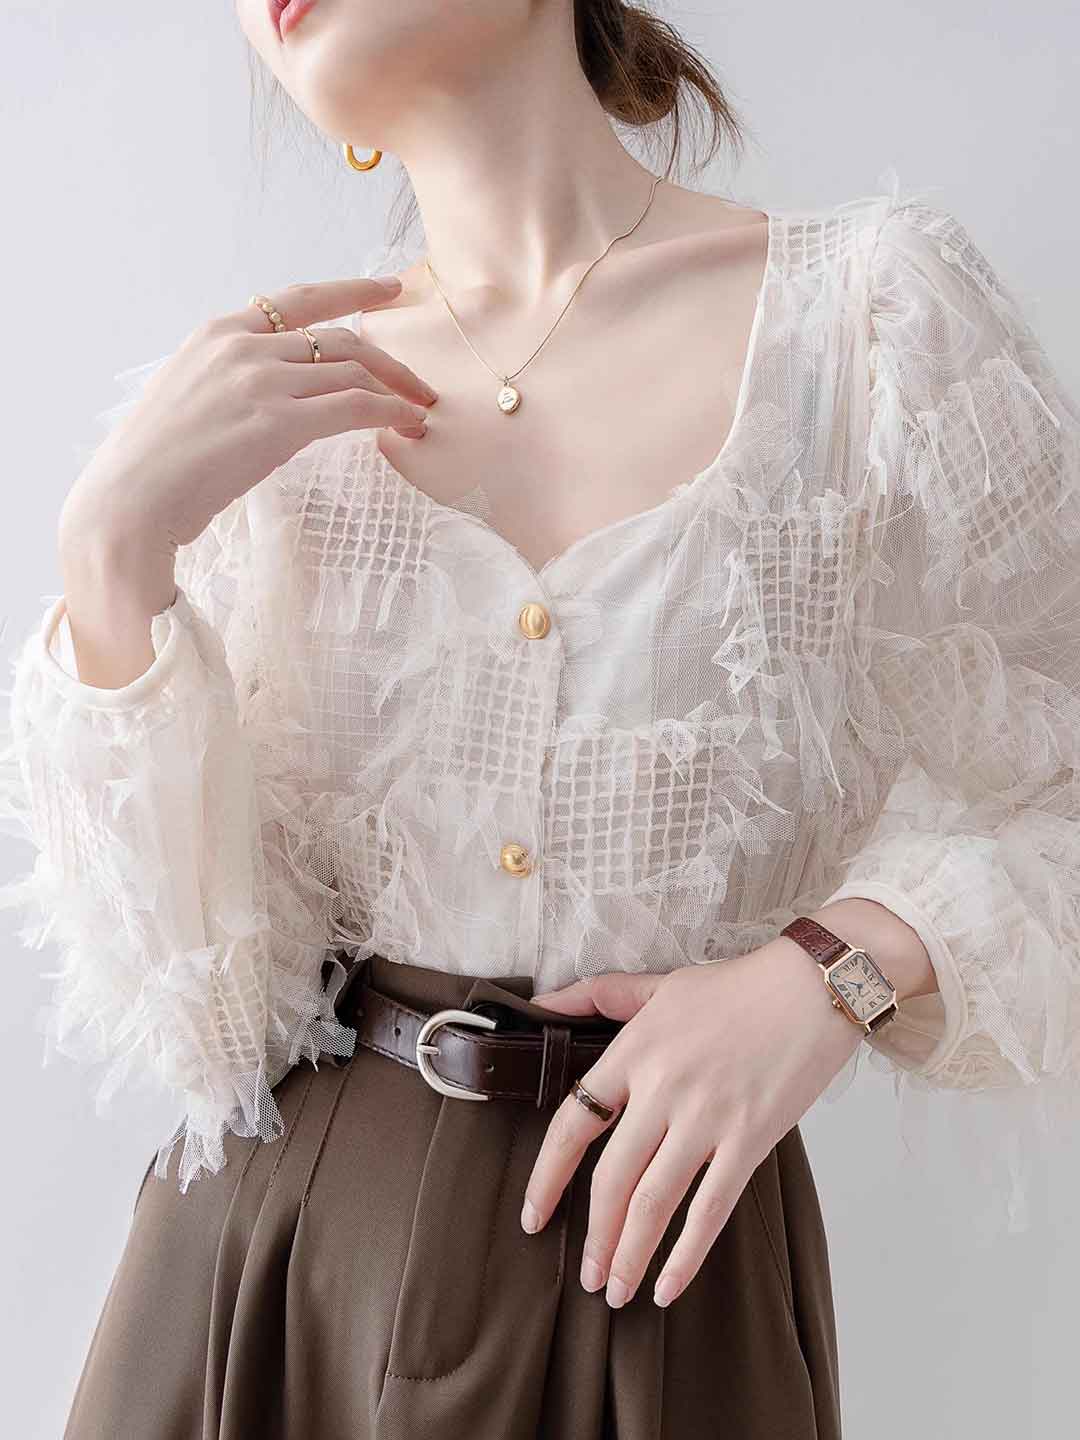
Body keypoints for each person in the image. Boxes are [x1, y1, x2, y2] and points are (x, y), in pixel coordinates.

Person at [1, 1, 1077, 1435]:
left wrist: (830, 973)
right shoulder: (257, 419)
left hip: (665, 1265)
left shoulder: (872, 327)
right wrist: (111, 560)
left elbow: (1059, 784)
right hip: (285, 1277)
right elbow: (202, 1030)